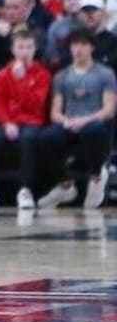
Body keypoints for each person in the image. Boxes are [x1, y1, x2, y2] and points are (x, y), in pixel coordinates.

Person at [36, 27, 116, 210]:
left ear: (92, 48)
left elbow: (109, 109)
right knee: (47, 136)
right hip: (70, 123)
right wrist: (65, 121)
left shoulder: (105, 74)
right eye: (74, 45)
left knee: (94, 130)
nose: (78, 49)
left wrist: (85, 120)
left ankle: (96, 176)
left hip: (95, 123)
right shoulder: (62, 76)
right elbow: (54, 112)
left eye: (83, 44)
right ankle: (64, 185)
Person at [0, 30, 50, 212]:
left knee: (29, 139)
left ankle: (25, 190)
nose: (24, 51)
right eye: (20, 47)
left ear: (35, 49)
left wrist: (22, 80)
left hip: (31, 121)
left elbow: (35, 104)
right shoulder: (2, 74)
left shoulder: (42, 75)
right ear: (12, 49)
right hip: (8, 122)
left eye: (28, 47)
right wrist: (6, 122)